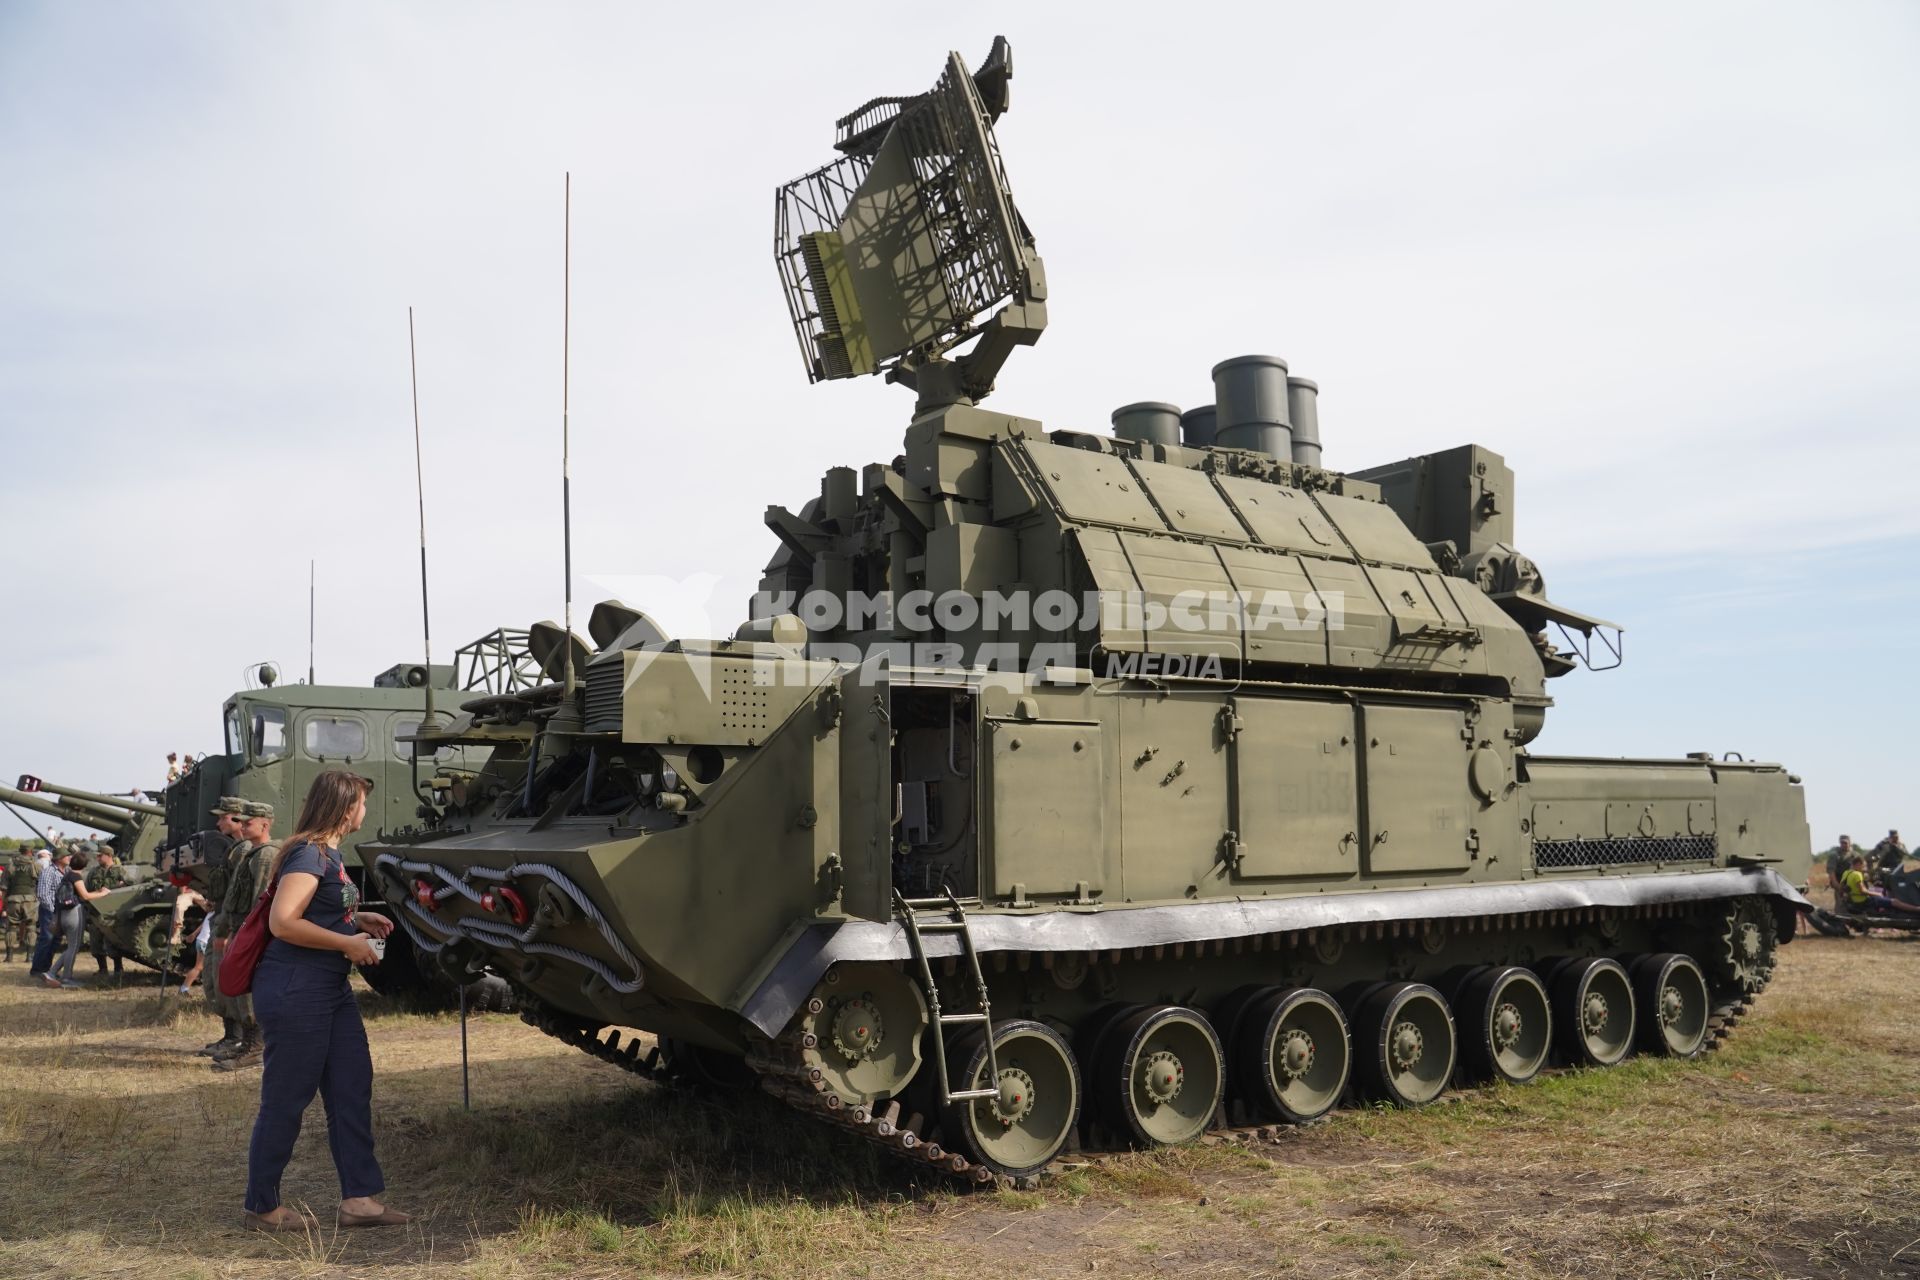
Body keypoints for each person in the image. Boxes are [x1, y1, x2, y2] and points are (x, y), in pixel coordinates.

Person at [242, 770, 409, 1232]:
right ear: (343, 807)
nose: (364, 811)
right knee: (287, 1099)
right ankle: (262, 1206)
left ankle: (359, 1199)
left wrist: (358, 917)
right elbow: (284, 923)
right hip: (297, 989)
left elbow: (321, 909)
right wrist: (348, 944)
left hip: (328, 990)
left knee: (351, 1088)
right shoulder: (307, 855)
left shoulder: (329, 854)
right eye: (360, 802)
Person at [212, 800, 278, 1073]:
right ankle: (249, 1044)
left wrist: (247, 937)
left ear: (264, 824)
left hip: (248, 931)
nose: (242, 825)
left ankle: (256, 1047)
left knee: (250, 992)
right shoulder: (253, 852)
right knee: (241, 990)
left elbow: (259, 902)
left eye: (248, 821)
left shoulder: (265, 855)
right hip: (239, 928)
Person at [201, 799, 250, 1058]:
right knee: (214, 979)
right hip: (220, 917)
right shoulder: (234, 849)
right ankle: (231, 1035)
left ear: (236, 819)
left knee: (226, 980)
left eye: (223, 817)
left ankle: (238, 1038)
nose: (218, 822)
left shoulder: (243, 851)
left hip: (229, 922)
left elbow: (239, 890)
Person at [46, 850, 112, 988]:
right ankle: (67, 978)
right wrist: (104, 893)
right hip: (74, 914)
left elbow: (81, 894)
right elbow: (85, 896)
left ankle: (52, 973)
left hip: (64, 914)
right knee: (73, 947)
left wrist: (96, 892)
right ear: (84, 865)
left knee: (71, 947)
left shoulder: (68, 875)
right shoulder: (76, 876)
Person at [84, 847, 131, 978]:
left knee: (113, 941)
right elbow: (87, 890)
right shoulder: (94, 872)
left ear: (109, 855)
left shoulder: (120, 871)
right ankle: (102, 969)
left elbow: (131, 886)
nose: (98, 858)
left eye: (100, 855)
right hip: (96, 912)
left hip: (112, 912)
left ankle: (118, 968)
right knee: (95, 942)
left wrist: (117, 887)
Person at [28, 849, 69, 979]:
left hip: (61, 911)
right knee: (47, 939)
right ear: (59, 859)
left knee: (55, 940)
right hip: (50, 911)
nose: (68, 858)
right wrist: (53, 910)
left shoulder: (66, 872)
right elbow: (42, 894)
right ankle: (37, 969)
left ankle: (46, 969)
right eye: (66, 856)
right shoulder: (48, 872)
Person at [1840, 855, 1920, 916]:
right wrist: (1877, 894)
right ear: (1857, 864)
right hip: (1864, 902)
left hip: (1854, 901)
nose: (1864, 868)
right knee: (1894, 901)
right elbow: (1863, 891)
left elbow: (1841, 887)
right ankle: (1917, 909)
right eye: (1863, 866)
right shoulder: (1857, 874)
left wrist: (1845, 897)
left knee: (1883, 897)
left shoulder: (1846, 873)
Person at [3, 847, 38, 962]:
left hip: (13, 900)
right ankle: (30, 956)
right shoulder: (36, 865)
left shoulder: (10, 866)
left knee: (11, 928)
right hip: (30, 901)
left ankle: (9, 957)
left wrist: (4, 903)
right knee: (31, 927)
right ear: (31, 851)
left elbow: (4, 887)